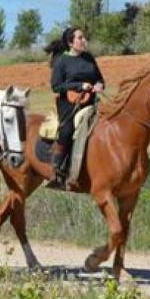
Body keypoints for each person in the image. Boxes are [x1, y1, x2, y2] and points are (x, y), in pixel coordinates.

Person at [46, 27, 104, 188]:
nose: (84, 40)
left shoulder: (89, 58)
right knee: (67, 131)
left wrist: (99, 85)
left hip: (91, 101)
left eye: (84, 37)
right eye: (80, 38)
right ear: (70, 43)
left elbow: (100, 79)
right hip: (69, 104)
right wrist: (79, 85)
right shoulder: (62, 61)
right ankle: (57, 170)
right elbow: (56, 86)